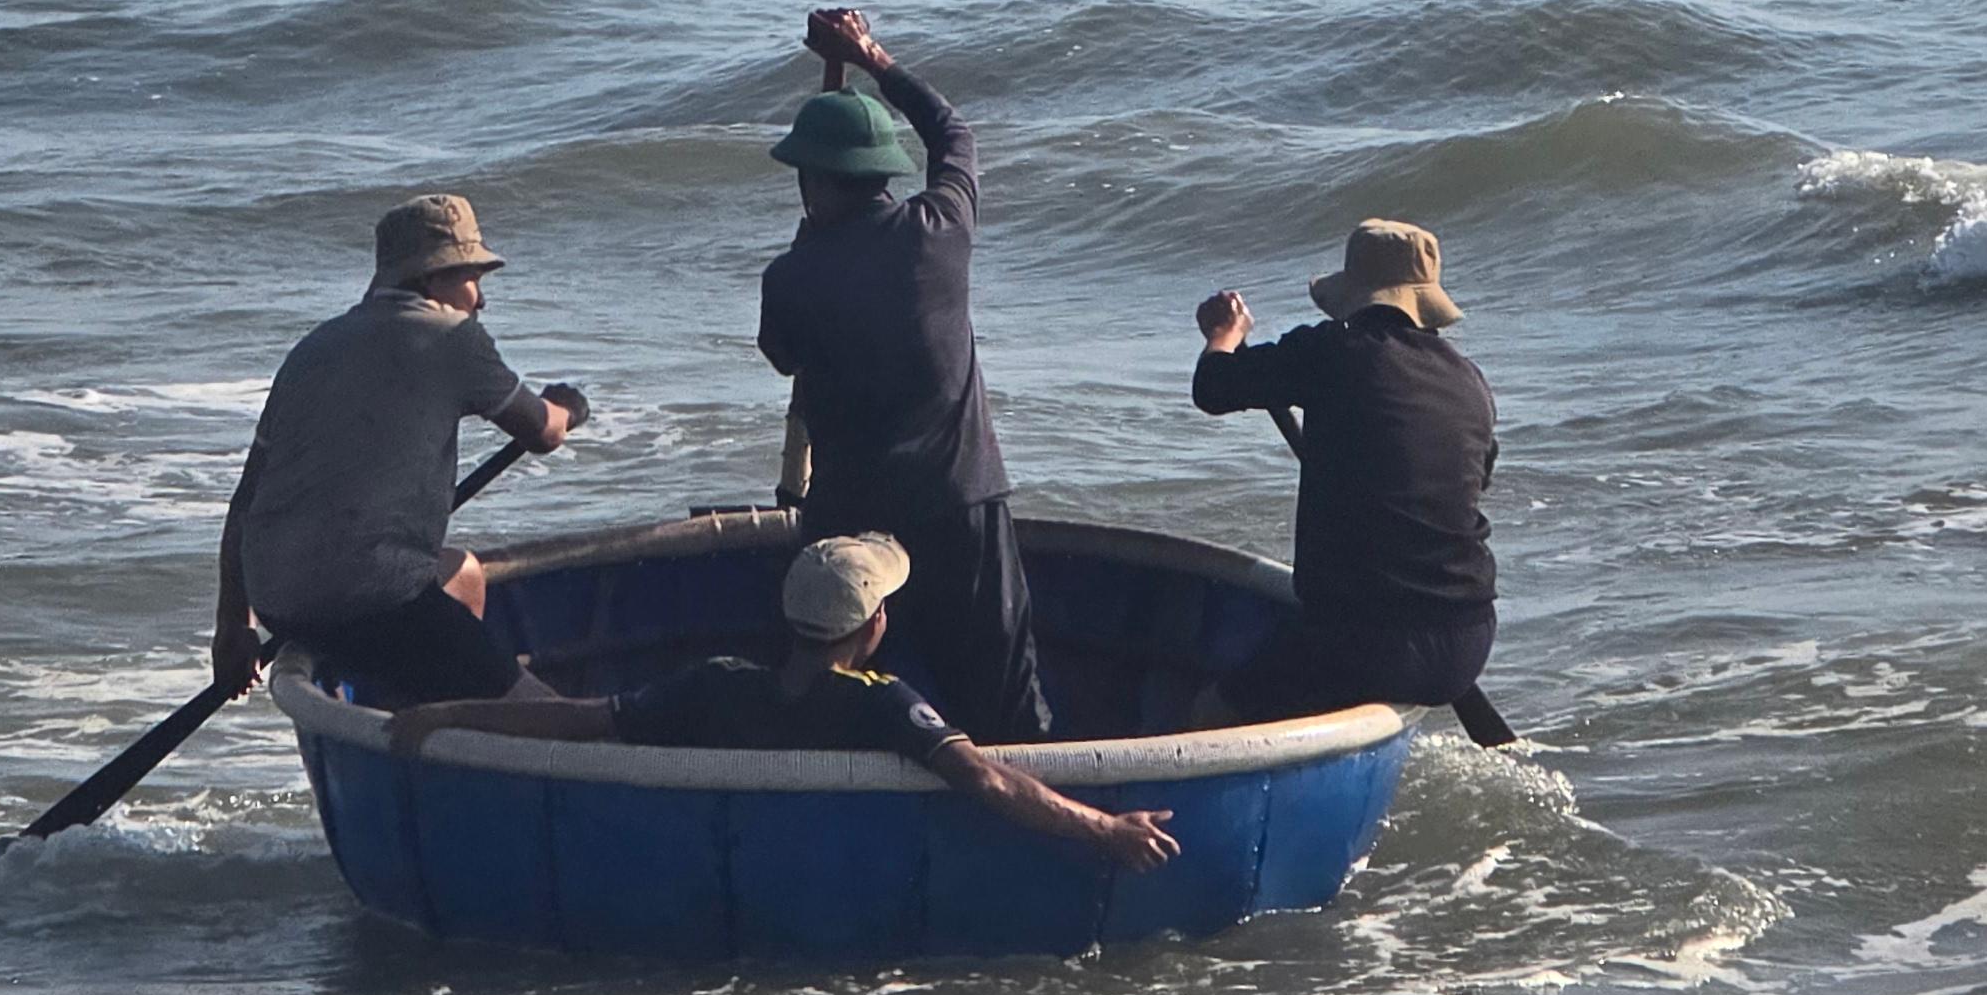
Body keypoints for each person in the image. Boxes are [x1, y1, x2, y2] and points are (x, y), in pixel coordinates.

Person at [389, 532, 1177, 874]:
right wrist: (1106, 827)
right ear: (874, 626)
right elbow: (989, 781)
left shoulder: (718, 683)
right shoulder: (882, 704)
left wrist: (451, 713)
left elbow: (577, 720)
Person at [754, 8, 1051, 741]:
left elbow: (784, 354)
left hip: (851, 513)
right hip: (960, 504)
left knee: (824, 698)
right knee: (1005, 699)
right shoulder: (941, 230)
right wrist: (871, 58)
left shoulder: (791, 278)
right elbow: (953, 132)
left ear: (815, 184)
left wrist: (808, 242)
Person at [211, 193, 585, 707]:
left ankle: (434, 705)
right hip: (372, 606)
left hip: (279, 601)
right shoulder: (451, 337)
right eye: (471, 277)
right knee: (554, 718)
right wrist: (566, 407)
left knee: (463, 574)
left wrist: (233, 627)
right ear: (433, 279)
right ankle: (464, 713)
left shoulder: (313, 349)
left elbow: (246, 500)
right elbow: (542, 433)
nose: (481, 300)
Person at [1190, 217, 1498, 722]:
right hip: (1467, 638)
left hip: (1368, 642)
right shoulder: (1470, 381)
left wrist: (1225, 333)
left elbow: (1214, 386)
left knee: (1206, 715)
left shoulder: (1333, 350)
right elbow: (1462, 483)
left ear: (1356, 295)